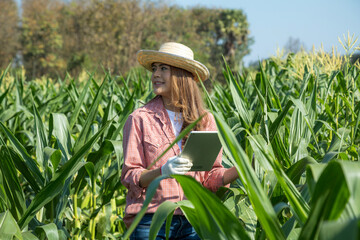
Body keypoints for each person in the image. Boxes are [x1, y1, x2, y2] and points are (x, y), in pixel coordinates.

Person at [121, 42, 239, 239]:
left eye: (164, 68)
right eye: (154, 68)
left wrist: (245, 169)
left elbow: (210, 178)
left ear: (182, 75)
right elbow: (130, 175)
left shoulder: (205, 120)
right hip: (151, 220)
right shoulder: (139, 118)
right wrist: (162, 172)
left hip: (193, 219)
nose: (156, 74)